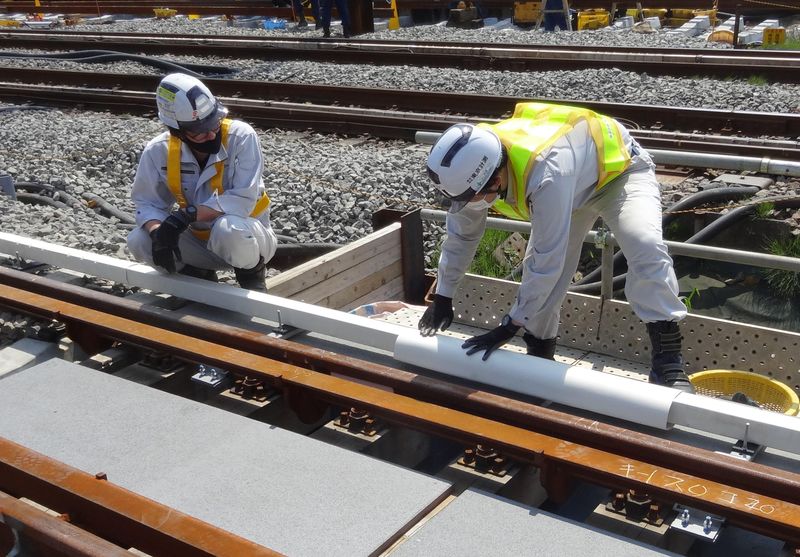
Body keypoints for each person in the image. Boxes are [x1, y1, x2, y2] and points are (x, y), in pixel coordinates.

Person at [418, 102, 694, 393]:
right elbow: (461, 236)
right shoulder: (475, 170)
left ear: (496, 181)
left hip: (619, 173)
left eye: (470, 200)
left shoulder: (545, 173)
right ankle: (540, 357)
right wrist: (443, 296)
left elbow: (546, 261)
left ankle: (668, 360)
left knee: (644, 244)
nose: (467, 207)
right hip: (571, 181)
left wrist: (510, 326)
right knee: (544, 289)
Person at [127, 73, 277, 293]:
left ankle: (252, 279)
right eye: (199, 132)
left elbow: (242, 200)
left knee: (228, 229)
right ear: (177, 132)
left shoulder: (241, 137)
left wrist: (185, 215)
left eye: (214, 123)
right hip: (200, 242)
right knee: (140, 239)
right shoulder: (158, 151)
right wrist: (159, 231)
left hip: (248, 240)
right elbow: (147, 203)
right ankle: (198, 280)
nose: (210, 135)